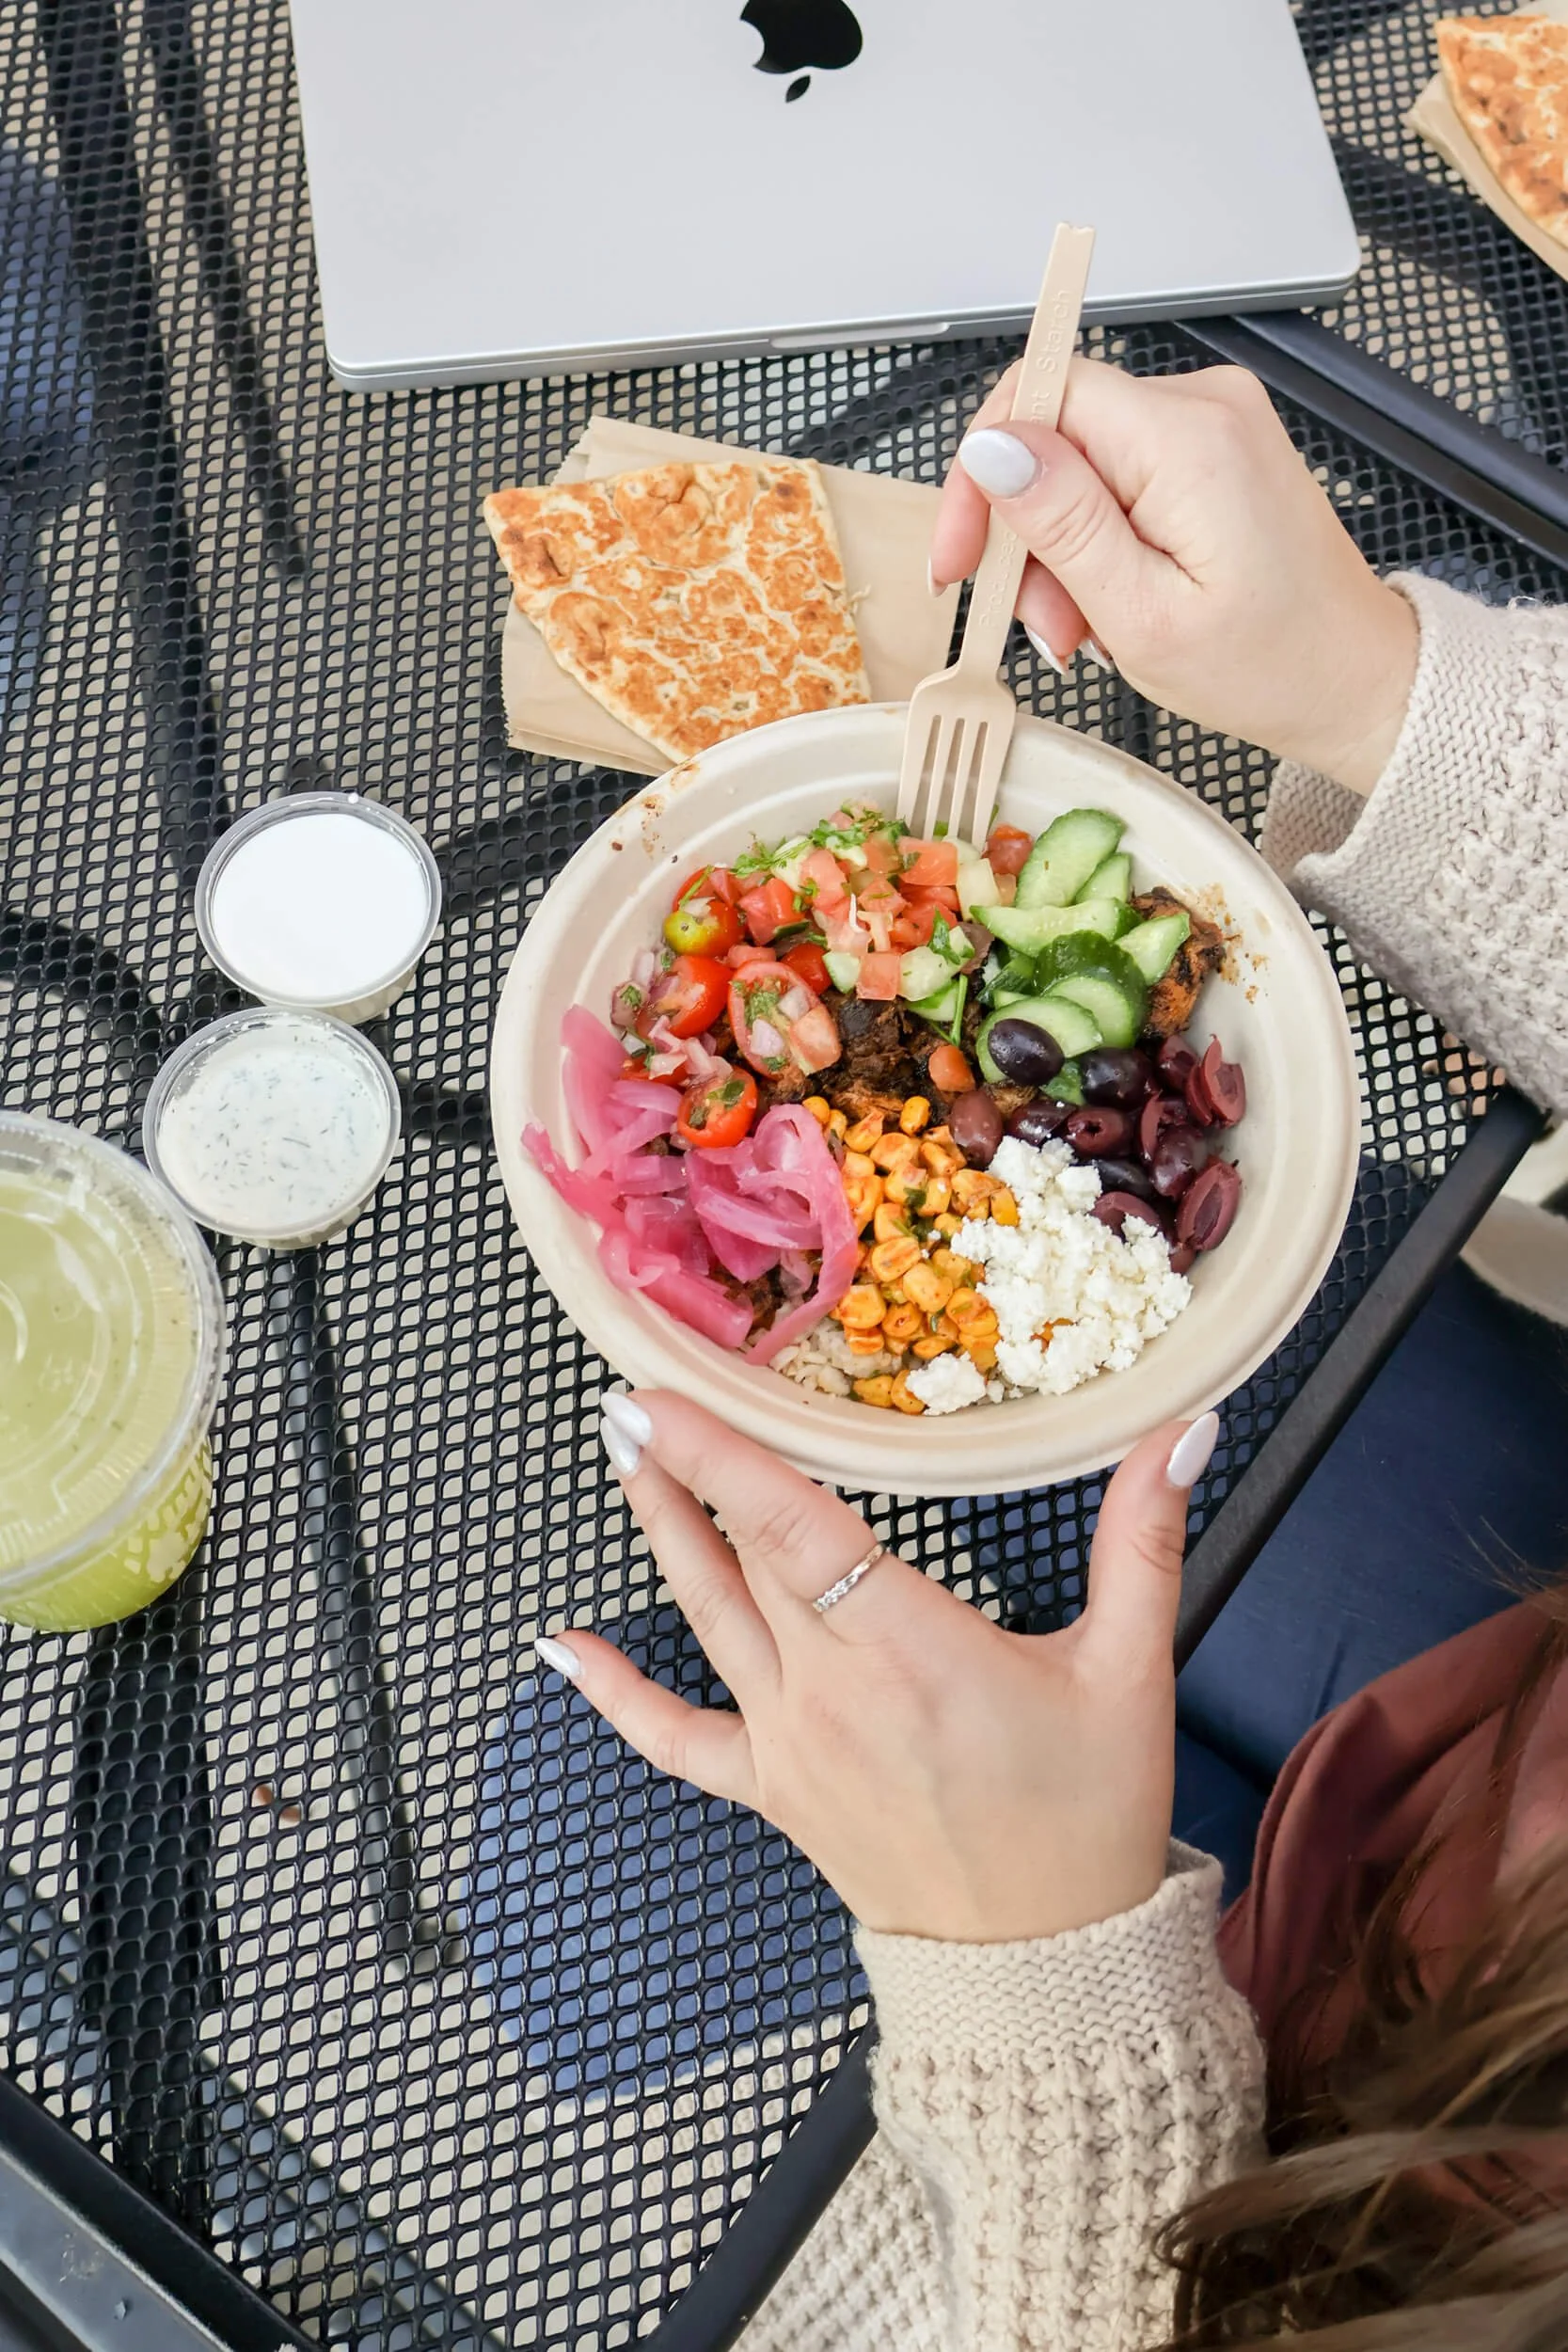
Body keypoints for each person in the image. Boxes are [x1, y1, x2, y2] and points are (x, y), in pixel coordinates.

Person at [531, 356, 1568, 2349]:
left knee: (566, 1906)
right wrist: (1379, 692)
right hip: (1492, 1690)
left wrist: (1045, 2017)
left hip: (1241, 2197)